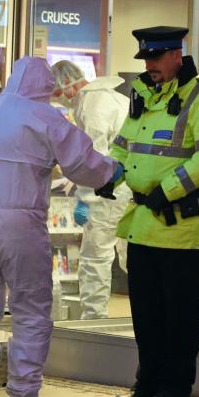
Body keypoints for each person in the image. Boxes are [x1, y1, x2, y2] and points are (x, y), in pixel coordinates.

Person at [0, 56, 122, 397]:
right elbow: (84, 165)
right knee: (30, 313)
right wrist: (113, 172)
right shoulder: (44, 117)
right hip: (19, 227)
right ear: (46, 89)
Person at [109, 26, 199, 397]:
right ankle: (146, 385)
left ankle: (175, 391)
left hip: (180, 227)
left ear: (177, 55)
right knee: (146, 317)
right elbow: (123, 145)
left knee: (180, 320)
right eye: (145, 59)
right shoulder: (142, 94)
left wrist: (169, 189)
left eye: (157, 58)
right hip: (143, 223)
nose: (150, 66)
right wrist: (107, 174)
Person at [51, 60, 131, 319]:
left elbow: (96, 160)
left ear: (68, 87)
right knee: (130, 255)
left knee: (96, 257)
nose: (61, 100)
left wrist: (85, 198)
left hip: (110, 194)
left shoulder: (92, 106)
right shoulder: (111, 98)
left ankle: (94, 320)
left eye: (58, 93)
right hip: (129, 190)